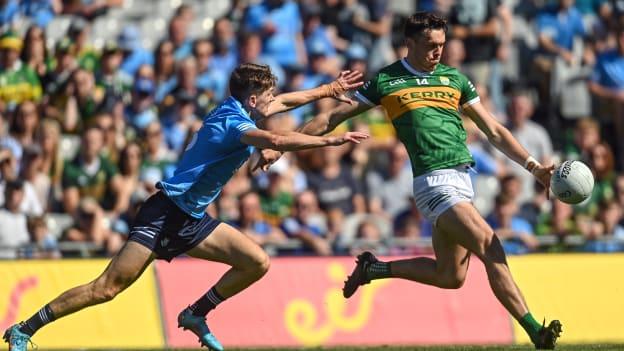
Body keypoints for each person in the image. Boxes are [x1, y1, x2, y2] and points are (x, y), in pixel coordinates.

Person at [2, 63, 366, 351]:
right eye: (268, 96)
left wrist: (328, 90)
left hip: (191, 219)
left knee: (257, 262)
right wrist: (331, 141)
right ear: (253, 100)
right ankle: (24, 329)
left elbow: (285, 103)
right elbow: (274, 137)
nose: (275, 101)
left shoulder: (243, 108)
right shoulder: (232, 122)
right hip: (164, 214)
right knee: (106, 289)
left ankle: (195, 313)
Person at [290, 12, 562, 350]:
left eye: (442, 45)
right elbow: (332, 117)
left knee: (451, 277)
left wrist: (534, 167)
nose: (438, 52)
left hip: (463, 181)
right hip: (434, 183)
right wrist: (283, 144)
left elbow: (494, 130)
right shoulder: (387, 80)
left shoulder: (454, 79)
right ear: (410, 42)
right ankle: (536, 331)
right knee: (490, 245)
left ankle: (375, 269)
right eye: (431, 45)